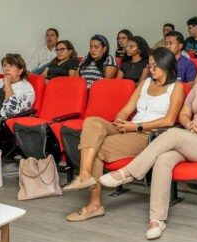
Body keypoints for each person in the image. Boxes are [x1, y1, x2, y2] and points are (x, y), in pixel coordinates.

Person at [100, 54, 197, 239]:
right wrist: (189, 123)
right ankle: (157, 220)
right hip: (191, 136)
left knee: (173, 133)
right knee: (163, 159)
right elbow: (184, 113)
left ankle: (129, 173)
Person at [63, 48, 185, 222]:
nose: (151, 69)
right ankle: (84, 175)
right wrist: (120, 120)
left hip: (147, 134)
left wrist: (136, 126)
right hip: (129, 126)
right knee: (92, 122)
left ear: (167, 66)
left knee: (97, 148)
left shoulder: (177, 87)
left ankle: (94, 204)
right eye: (149, 65)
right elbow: (127, 109)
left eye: (155, 66)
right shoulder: (145, 84)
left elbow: (169, 120)